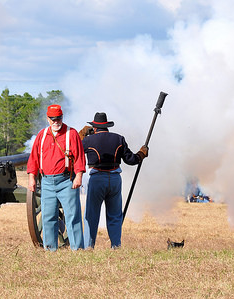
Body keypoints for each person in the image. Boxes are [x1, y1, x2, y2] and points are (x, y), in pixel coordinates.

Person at [79, 112, 148, 249]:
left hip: (97, 178)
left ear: (95, 127)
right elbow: (131, 160)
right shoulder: (119, 139)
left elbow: (75, 148)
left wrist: (82, 134)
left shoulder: (88, 140)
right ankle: (116, 246)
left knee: (92, 215)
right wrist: (141, 154)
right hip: (115, 179)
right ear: (107, 126)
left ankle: (88, 247)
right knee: (115, 216)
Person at [27, 104, 86, 251]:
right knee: (48, 217)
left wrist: (78, 176)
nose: (56, 122)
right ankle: (50, 249)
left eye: (58, 118)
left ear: (62, 117)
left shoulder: (71, 134)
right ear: (47, 119)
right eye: (52, 119)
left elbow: (79, 157)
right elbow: (34, 158)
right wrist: (32, 178)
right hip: (46, 181)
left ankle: (77, 249)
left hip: (66, 180)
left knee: (73, 216)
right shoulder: (42, 135)